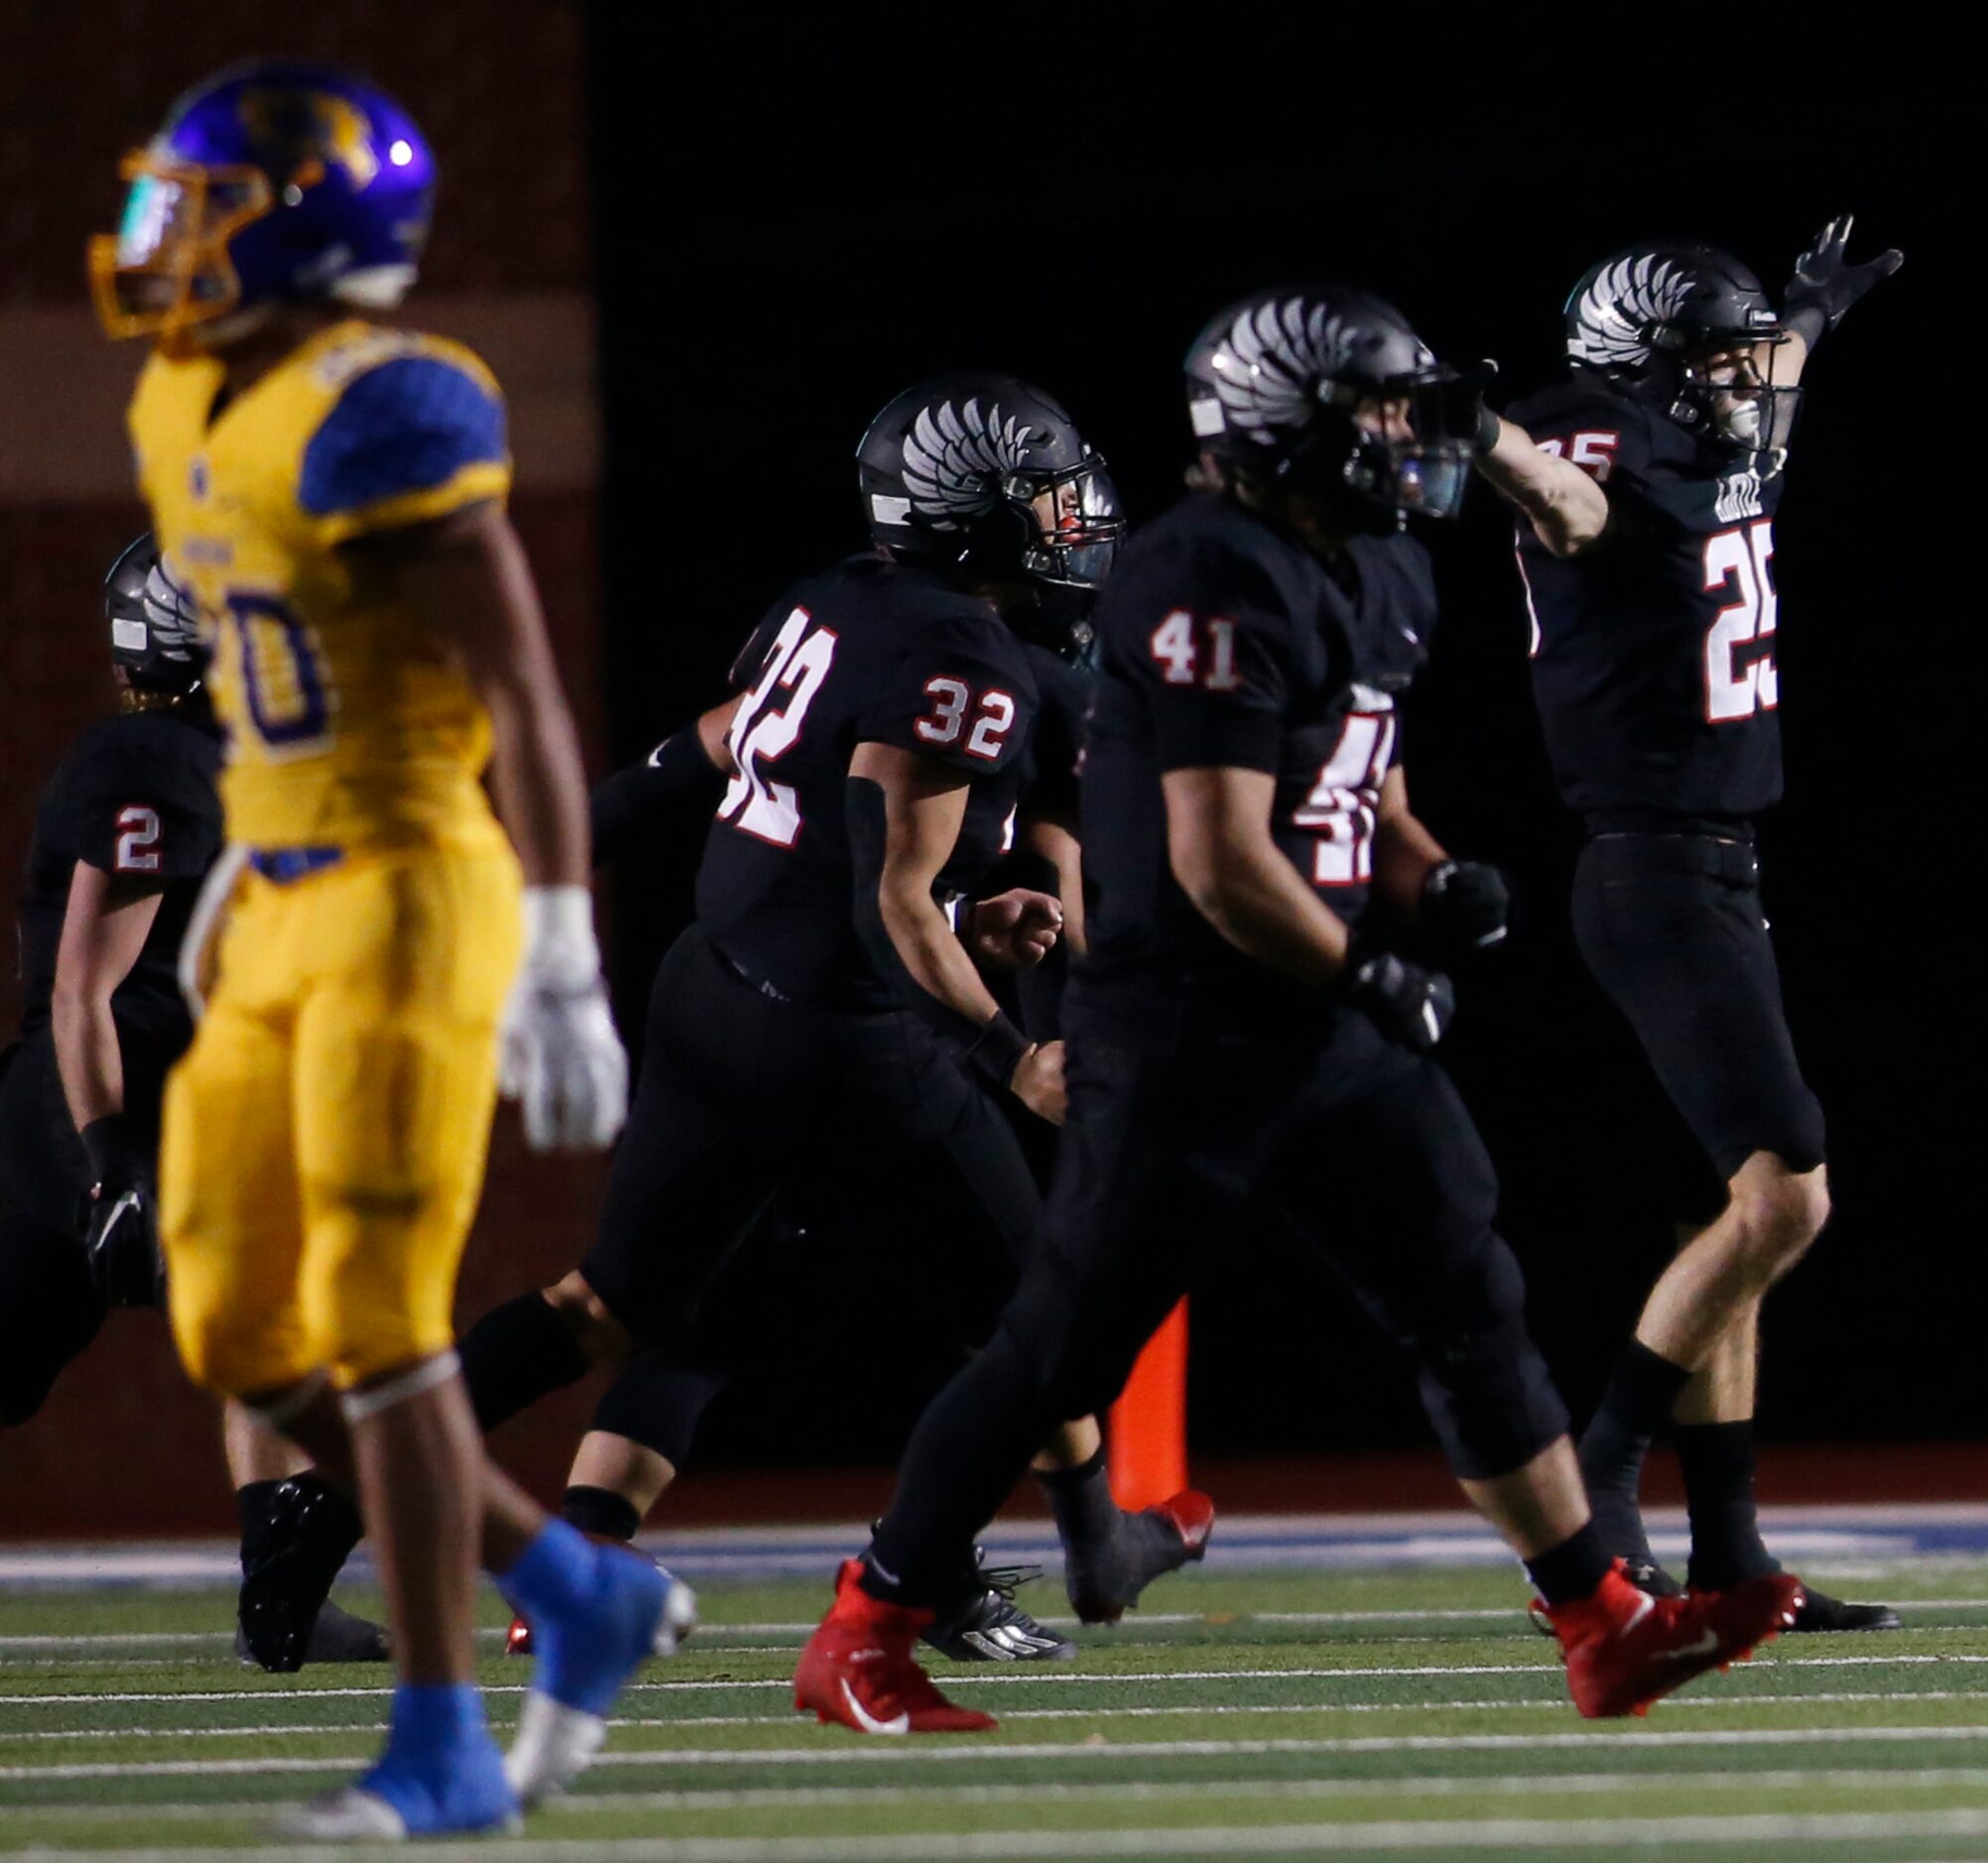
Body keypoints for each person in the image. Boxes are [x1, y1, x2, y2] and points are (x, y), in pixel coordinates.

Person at [793, 287, 1805, 1737]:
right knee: (1062, 1342)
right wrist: (1367, 969)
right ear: (1288, 433)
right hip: (1188, 1022)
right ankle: (865, 1626)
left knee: (1470, 1294)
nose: (1409, 439)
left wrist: (1431, 875)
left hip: (1316, 1011)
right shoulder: (1198, 573)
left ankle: (1599, 1616)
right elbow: (1215, 854)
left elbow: (1364, 781)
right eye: (1380, 416)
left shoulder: (1379, 559)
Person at [92, 61, 690, 1837]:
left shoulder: (395, 401)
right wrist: (220, 893)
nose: (166, 239)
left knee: (374, 1327)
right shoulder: (183, 397)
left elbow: (515, 679)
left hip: (414, 887)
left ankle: (440, 1745)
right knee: (229, 1319)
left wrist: (568, 941)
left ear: (306, 223)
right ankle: (576, 1587)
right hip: (270, 890)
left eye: (203, 206)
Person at [453, 373, 1212, 1662]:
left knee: (651, 1294)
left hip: (719, 985)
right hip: (851, 1031)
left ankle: (376, 1472)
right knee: (1039, 1315)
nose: (1070, 511)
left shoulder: (838, 596)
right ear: (972, 513)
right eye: (1041, 491)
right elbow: (892, 895)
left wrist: (547, 854)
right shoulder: (979, 662)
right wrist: (1012, 1051)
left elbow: (741, 758)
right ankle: (971, 1568)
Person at [1472, 221, 1901, 1630]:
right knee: (1790, 1191)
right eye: (1716, 363)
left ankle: (1727, 1554)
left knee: (1723, 1217)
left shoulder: (1700, 434)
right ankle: (1595, 1483)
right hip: (1651, 867)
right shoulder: (1587, 447)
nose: (1748, 383)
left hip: (1711, 860)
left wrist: (1806, 319)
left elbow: (1757, 416)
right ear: (1645, 373)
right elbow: (1567, 506)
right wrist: (1482, 434)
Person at [0, 537, 383, 1670]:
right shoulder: (149, 758)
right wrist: (110, 1156)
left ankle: (282, 1605)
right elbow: (86, 987)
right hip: (94, 1106)